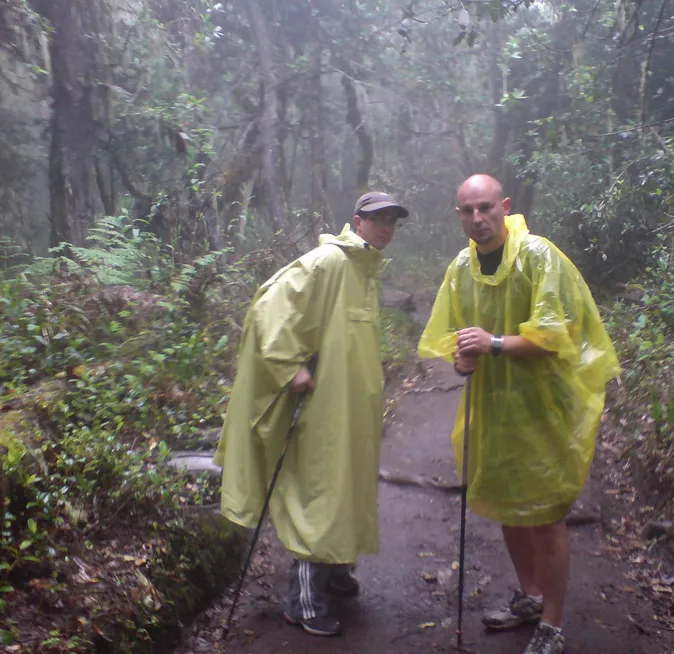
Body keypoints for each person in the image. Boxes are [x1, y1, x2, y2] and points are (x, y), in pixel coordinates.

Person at [418, 174, 620, 654]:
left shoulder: (538, 257)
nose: (478, 218)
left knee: (546, 513)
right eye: (467, 211)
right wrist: (462, 356)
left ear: (504, 206)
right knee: (510, 502)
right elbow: (454, 337)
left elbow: (558, 335)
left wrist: (490, 344)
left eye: (486, 207)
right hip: (494, 405)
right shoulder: (460, 268)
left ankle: (552, 622)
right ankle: (530, 596)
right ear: (458, 215)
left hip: (544, 404)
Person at [214, 191, 409, 637]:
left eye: (393, 221)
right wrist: (291, 367)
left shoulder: (364, 270)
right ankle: (303, 601)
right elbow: (269, 307)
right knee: (321, 492)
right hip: (323, 411)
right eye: (378, 219)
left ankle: (336, 571)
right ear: (357, 221)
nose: (386, 227)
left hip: (351, 409)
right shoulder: (330, 261)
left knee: (346, 486)